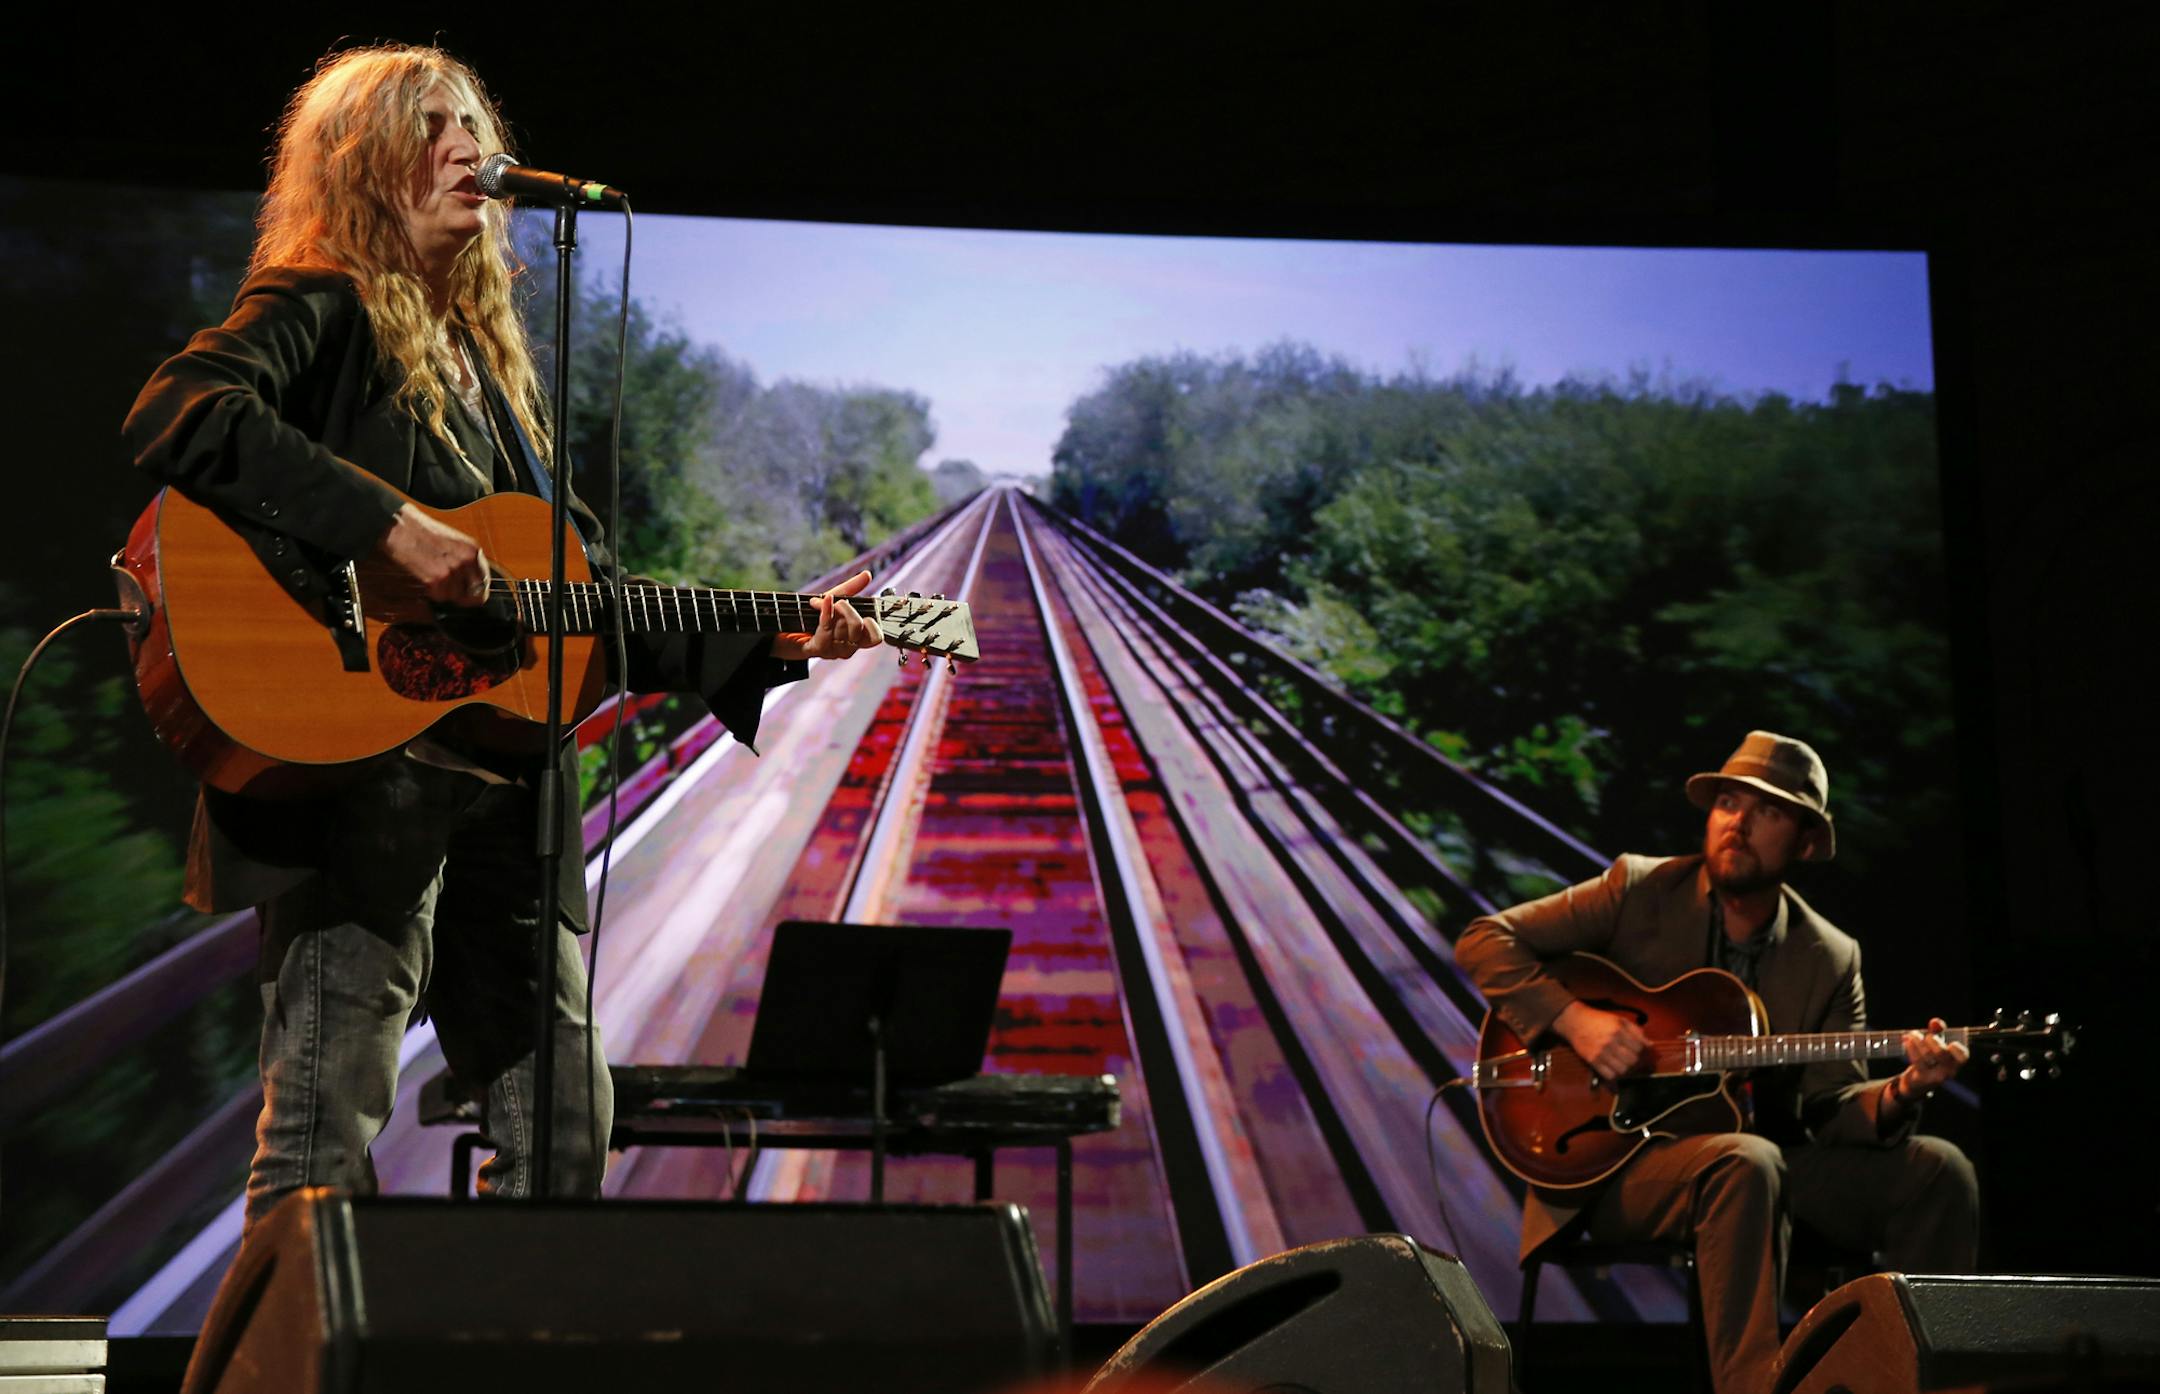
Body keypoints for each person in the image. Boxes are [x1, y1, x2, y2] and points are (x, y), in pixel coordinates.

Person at [121, 45, 883, 1229]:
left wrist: (767, 640)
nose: (473, 150)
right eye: (435, 127)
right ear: (365, 162)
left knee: (566, 1128)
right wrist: (390, 528)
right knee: (323, 1137)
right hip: (361, 788)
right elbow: (181, 412)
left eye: (476, 125)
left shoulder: (490, 367)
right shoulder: (320, 299)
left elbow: (574, 610)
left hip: (506, 804)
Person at [1453, 731, 1978, 1394]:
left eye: (1768, 813)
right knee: (1745, 1161)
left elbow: (1832, 1107)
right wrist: (1575, 1021)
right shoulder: (1638, 887)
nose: (1739, 823)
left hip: (1765, 1165)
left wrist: (1904, 1088)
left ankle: (1917, 1380)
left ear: (1805, 842)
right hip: (1612, 1163)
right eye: (1729, 803)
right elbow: (1484, 940)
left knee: (1940, 1171)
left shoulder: (1831, 955)